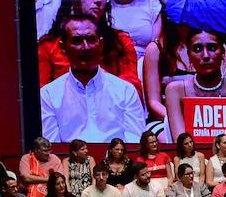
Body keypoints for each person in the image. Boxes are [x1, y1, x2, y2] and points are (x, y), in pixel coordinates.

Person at [40, 12, 147, 142]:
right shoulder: (49, 95)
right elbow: (51, 150)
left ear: (101, 44)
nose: (85, 47)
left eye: (91, 39)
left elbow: (135, 144)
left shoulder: (125, 91)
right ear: (63, 48)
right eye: (77, 41)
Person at [163, 29, 226, 140]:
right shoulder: (175, 91)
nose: (205, 55)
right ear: (189, 55)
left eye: (212, 48)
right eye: (197, 49)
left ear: (223, 53)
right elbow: (180, 142)